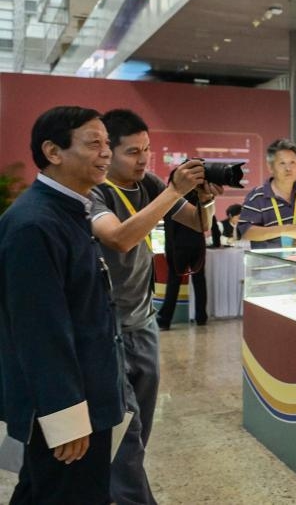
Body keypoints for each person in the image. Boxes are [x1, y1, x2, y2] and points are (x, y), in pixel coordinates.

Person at [90, 109, 219, 505]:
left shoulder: (145, 182)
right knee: (122, 431)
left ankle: (109, 489)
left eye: (147, 149)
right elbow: (120, 238)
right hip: (106, 327)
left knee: (138, 427)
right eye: (132, 151)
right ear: (107, 152)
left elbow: (200, 225)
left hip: (142, 319)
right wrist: (173, 191)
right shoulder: (95, 192)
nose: (144, 160)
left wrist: (206, 200)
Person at [0, 106, 124, 504]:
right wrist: (66, 417)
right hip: (70, 409)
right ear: (53, 151)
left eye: (107, 143)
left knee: (41, 491)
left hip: (89, 392)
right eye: (94, 143)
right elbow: (40, 331)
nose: (106, 153)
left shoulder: (70, 211)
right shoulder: (34, 224)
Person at [237, 139, 296, 249]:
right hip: (269, 264)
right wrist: (284, 230)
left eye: (292, 163)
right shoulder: (257, 196)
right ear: (270, 167)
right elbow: (246, 231)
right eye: (282, 163)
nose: (288, 168)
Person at [158, 184, 210, 330]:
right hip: (198, 246)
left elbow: (169, 228)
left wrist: (168, 249)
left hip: (178, 248)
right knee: (200, 281)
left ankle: (165, 320)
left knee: (173, 283)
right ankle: (201, 317)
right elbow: (209, 221)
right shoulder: (199, 198)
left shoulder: (172, 201)